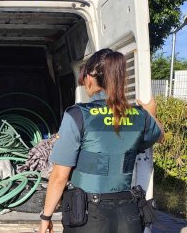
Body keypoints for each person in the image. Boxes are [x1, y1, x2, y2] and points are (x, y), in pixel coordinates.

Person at [39, 48, 164, 233]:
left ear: (90, 77)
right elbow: (160, 134)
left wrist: (46, 217)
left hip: (89, 217)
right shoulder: (141, 117)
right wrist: (150, 113)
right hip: (128, 217)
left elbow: (59, 177)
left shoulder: (78, 115)